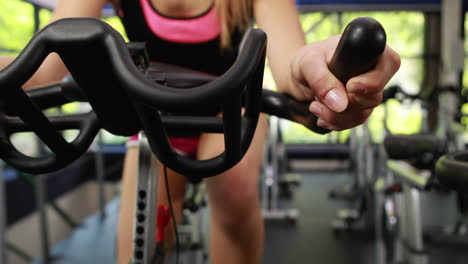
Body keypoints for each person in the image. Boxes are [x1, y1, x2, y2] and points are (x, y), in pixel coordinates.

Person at [0, 0, 400, 263]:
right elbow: (41, 69)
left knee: (235, 188)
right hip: (152, 112)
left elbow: (292, 69)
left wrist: (318, 72)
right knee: (141, 237)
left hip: (230, 110)